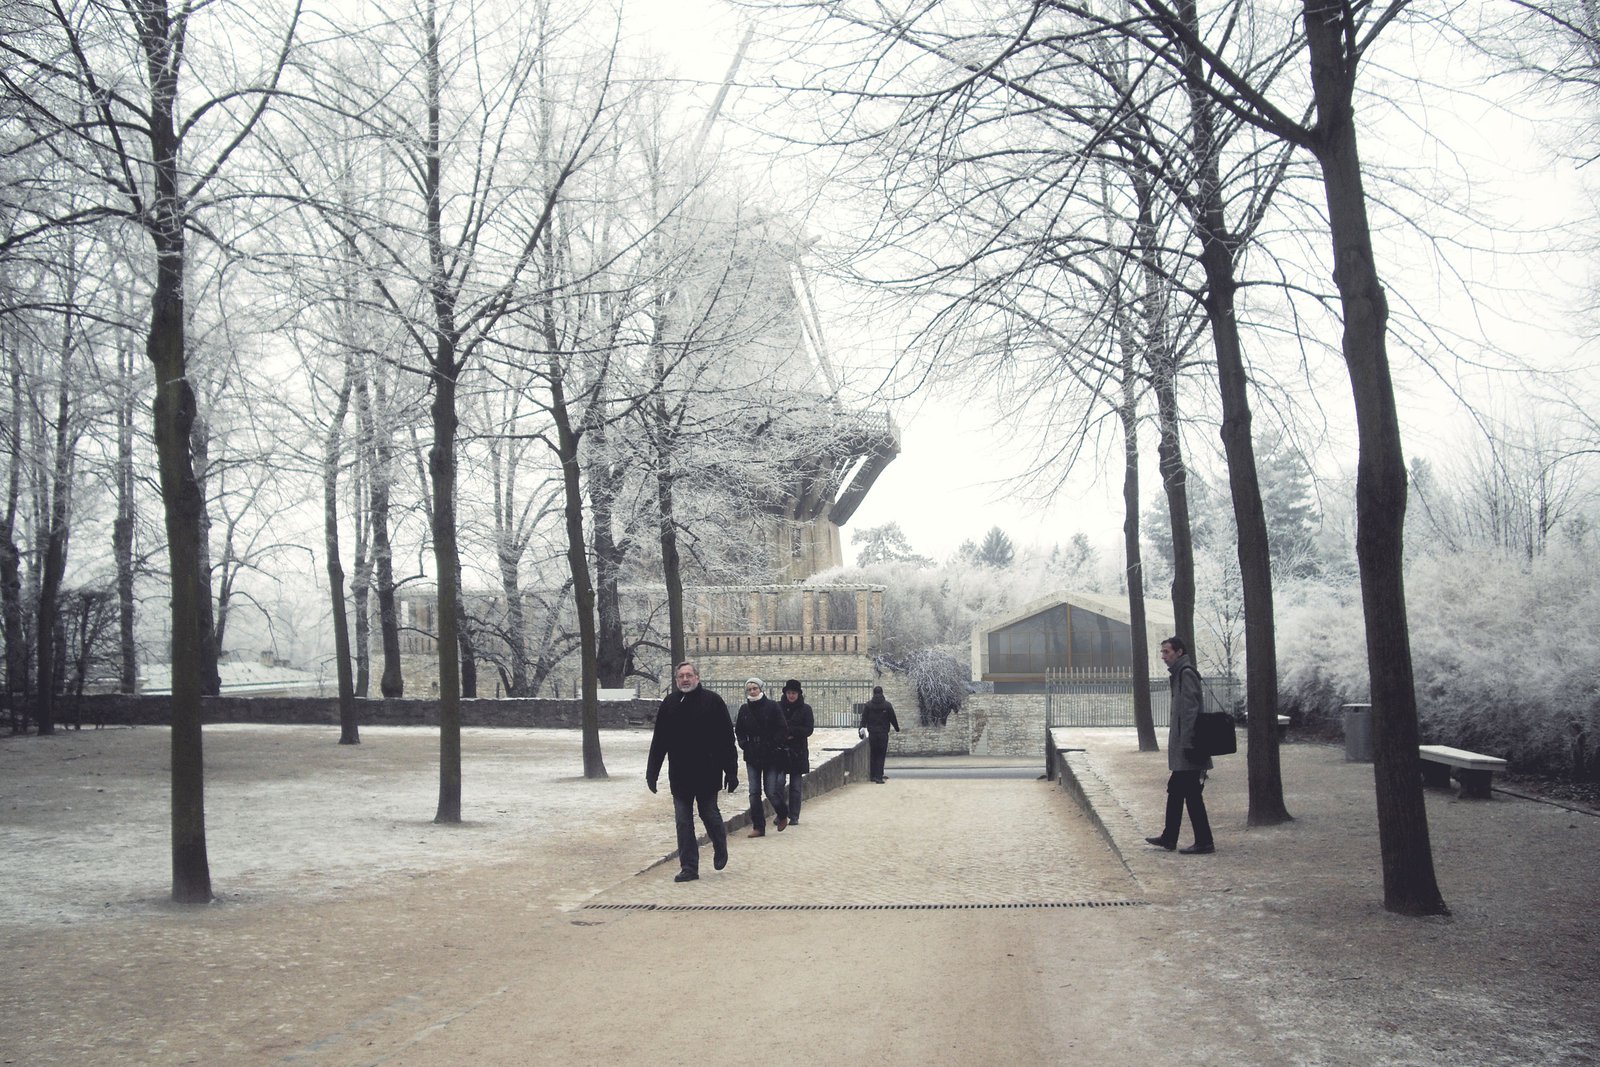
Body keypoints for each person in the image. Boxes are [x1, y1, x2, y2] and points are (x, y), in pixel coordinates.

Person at [647, 661, 739, 882]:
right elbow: (659, 741)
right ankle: (689, 867)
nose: (685, 679)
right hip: (680, 773)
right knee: (683, 821)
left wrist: (731, 771)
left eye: (689, 675)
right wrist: (652, 772)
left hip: (707, 770)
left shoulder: (713, 701)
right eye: (681, 676)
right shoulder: (669, 704)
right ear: (677, 680)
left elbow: (726, 739)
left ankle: (719, 844)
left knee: (709, 814)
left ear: (697, 677)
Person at [1145, 636, 1216, 855]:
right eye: (1162, 652)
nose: (1163, 656)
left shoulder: (1185, 674)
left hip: (1189, 747)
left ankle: (1203, 841)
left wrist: (1187, 744)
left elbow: (1190, 713)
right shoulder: (1179, 674)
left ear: (1179, 652)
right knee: (1177, 790)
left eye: (1167, 652)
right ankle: (1170, 837)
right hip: (1186, 746)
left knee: (1190, 794)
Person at [733, 677, 789, 836]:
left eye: (754, 688)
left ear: (760, 689)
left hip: (770, 754)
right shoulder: (744, 709)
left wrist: (774, 744)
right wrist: (744, 744)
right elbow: (740, 730)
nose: (752, 691)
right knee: (753, 792)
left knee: (770, 790)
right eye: (749, 689)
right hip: (752, 754)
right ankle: (758, 826)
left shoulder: (772, 706)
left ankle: (783, 812)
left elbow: (782, 728)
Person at [779, 679, 815, 825]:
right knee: (778, 784)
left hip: (797, 751)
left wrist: (792, 732)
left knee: (795, 787)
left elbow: (809, 729)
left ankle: (794, 815)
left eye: (793, 693)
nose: (791, 696)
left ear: (798, 694)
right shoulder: (778, 707)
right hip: (781, 750)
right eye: (789, 693)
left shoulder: (806, 709)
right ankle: (781, 813)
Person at [858, 684, 900, 784]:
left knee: (873, 754)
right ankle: (879, 776)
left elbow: (864, 719)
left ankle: (873, 776)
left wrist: (860, 730)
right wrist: (897, 728)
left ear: (874, 693)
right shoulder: (887, 705)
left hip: (872, 733)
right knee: (881, 755)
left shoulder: (868, 705)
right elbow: (892, 718)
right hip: (883, 734)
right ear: (882, 693)